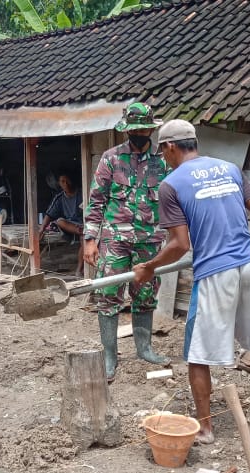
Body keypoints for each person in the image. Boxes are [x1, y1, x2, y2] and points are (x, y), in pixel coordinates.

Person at [132, 119, 250, 445]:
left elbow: (180, 245)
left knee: (197, 353)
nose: (164, 158)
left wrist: (150, 267)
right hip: (248, 266)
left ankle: (206, 429)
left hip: (215, 273)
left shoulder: (171, 184)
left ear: (169, 147)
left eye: (163, 151)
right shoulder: (230, 169)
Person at [82, 102, 170, 381]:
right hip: (114, 239)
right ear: (127, 130)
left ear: (150, 129)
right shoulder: (111, 159)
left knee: (145, 294)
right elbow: (96, 200)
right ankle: (110, 355)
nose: (138, 133)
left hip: (150, 240)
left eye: (143, 129)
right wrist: (89, 239)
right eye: (134, 129)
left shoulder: (163, 161)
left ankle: (144, 348)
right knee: (108, 295)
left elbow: (175, 201)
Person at [40, 174, 84, 275]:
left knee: (84, 238)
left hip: (83, 223)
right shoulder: (59, 197)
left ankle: (79, 270)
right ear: (59, 184)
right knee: (60, 221)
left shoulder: (82, 193)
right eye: (62, 181)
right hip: (70, 225)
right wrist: (41, 228)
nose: (66, 184)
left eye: (67, 180)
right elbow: (49, 213)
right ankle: (81, 231)